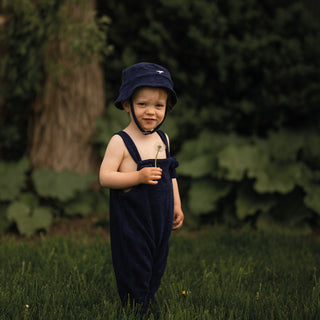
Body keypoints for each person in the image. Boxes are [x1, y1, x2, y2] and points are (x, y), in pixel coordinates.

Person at [99, 62, 184, 312]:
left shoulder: (162, 138)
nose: (151, 112)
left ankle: (148, 297)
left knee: (157, 262)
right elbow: (105, 177)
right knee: (134, 262)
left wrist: (176, 205)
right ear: (127, 105)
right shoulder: (120, 141)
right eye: (142, 104)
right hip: (132, 219)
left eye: (158, 106)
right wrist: (137, 177)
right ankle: (136, 307)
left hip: (159, 216)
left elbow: (171, 173)